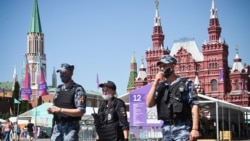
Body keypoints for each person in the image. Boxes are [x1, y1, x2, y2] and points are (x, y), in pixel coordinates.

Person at [146, 55, 200, 141]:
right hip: (166, 128)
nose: (162, 69)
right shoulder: (161, 87)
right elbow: (149, 104)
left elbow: (194, 105)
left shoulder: (186, 83)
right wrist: (155, 83)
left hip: (182, 127)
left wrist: (195, 129)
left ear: (173, 66)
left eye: (164, 66)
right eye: (160, 67)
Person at [47, 63, 87, 141]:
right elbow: (55, 106)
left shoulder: (78, 89)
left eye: (64, 73)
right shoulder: (58, 89)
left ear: (71, 73)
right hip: (57, 127)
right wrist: (51, 110)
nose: (62, 75)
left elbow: (80, 111)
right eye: (61, 73)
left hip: (70, 128)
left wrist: (60, 110)